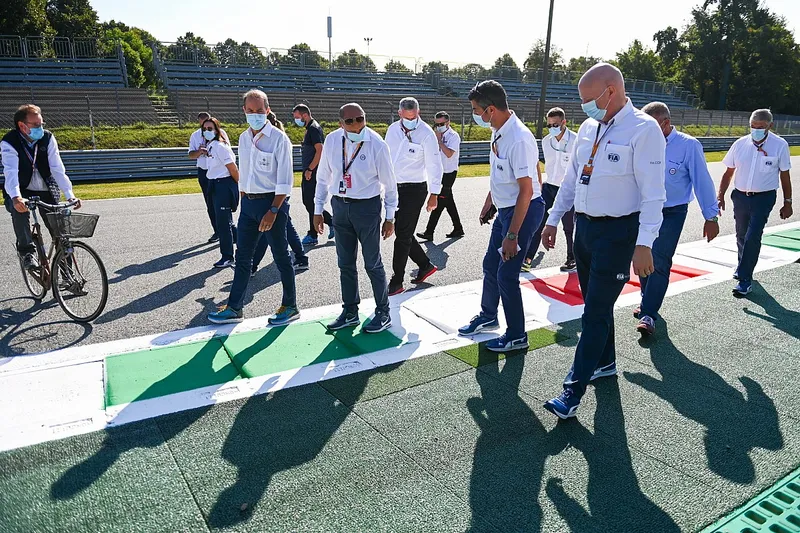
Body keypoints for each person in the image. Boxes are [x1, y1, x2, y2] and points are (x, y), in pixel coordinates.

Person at [540, 63, 666, 419]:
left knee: (593, 312)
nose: (585, 108)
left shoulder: (644, 129)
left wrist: (645, 243)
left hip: (618, 233)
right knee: (597, 305)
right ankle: (605, 362)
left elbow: (654, 193)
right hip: (585, 230)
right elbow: (570, 180)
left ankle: (571, 391)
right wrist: (552, 219)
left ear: (611, 90)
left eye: (589, 100)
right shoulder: (589, 128)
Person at [457, 80, 546, 352]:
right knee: (490, 264)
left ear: (491, 110)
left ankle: (517, 335)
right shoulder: (499, 130)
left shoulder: (518, 138)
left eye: (476, 110)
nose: (476, 115)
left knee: (507, 274)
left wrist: (512, 234)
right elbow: (500, 175)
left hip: (524, 210)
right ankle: (488, 315)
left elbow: (526, 190)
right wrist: (490, 201)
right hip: (507, 208)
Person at [208, 90, 298, 326]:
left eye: (260, 111)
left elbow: (285, 181)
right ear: (244, 111)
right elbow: (245, 172)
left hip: (272, 205)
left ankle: (290, 305)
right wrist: (243, 198)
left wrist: (274, 210)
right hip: (249, 205)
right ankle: (235, 307)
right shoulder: (243, 138)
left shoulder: (279, 139)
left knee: (281, 257)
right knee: (243, 257)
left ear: (267, 110)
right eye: (251, 111)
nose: (255, 115)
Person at [635, 102, 720, 335]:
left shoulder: (688, 145)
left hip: (672, 211)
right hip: (643, 210)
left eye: (650, 125)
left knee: (660, 261)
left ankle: (649, 314)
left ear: (665, 123)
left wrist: (710, 216)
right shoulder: (642, 142)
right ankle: (646, 301)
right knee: (642, 258)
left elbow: (702, 181)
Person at [314, 103, 398, 334]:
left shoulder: (377, 144)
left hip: (367, 208)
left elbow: (390, 185)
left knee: (372, 263)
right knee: (345, 263)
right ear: (341, 123)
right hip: (340, 206)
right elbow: (323, 178)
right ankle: (350, 310)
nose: (356, 124)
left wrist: (390, 217)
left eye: (360, 119)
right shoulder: (332, 141)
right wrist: (317, 210)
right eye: (349, 121)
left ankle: (383, 311)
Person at [718, 108, 793, 297]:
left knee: (753, 236)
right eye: (753, 126)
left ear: (770, 126)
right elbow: (728, 172)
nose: (756, 130)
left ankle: (744, 279)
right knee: (741, 235)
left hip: (764, 198)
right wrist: (720, 196)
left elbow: (785, 175)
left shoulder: (779, 145)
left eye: (761, 127)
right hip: (741, 196)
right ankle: (744, 267)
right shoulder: (740, 144)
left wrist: (788, 201)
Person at [2, 104, 82, 269]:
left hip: (46, 187)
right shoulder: (9, 142)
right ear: (22, 126)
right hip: (21, 188)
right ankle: (27, 253)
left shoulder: (47, 138)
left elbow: (57, 168)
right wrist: (16, 197)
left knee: (59, 229)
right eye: (36, 125)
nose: (40, 128)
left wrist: (69, 194)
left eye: (41, 124)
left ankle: (67, 271)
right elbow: (11, 172)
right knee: (19, 211)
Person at [384, 97, 443, 296]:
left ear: (418, 113)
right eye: (406, 117)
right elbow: (385, 158)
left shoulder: (426, 133)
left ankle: (397, 280)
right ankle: (425, 265)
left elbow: (435, 165)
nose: (410, 120)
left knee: (401, 236)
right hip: (394, 187)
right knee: (404, 233)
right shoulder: (393, 130)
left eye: (414, 117)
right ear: (400, 113)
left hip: (414, 189)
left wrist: (434, 194)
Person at [251, 111, 309, 276]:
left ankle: (252, 265)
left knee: (265, 230)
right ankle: (301, 257)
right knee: (285, 228)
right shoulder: (258, 139)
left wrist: (276, 202)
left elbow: (283, 175)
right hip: (271, 193)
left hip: (276, 194)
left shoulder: (278, 140)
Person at [522, 107, 577, 273]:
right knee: (539, 222)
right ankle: (528, 258)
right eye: (549, 124)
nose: (552, 127)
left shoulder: (576, 140)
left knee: (568, 226)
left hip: (567, 189)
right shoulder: (546, 141)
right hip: (549, 186)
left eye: (556, 124)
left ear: (564, 123)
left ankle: (571, 257)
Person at [417, 111, 463, 241]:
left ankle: (429, 231)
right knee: (448, 201)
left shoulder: (453, 136)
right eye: (436, 124)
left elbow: (449, 154)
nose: (438, 126)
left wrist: (439, 141)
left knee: (439, 201)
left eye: (441, 124)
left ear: (448, 122)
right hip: (439, 173)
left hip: (449, 173)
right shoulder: (433, 135)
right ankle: (458, 228)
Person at [201, 116, 240, 269]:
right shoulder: (211, 146)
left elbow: (233, 169)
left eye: (210, 129)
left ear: (217, 130)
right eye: (204, 129)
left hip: (224, 185)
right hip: (214, 184)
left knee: (223, 224)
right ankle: (243, 245)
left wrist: (237, 187)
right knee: (224, 222)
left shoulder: (220, 146)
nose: (207, 131)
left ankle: (228, 256)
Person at [293, 104, 333, 246]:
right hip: (309, 171)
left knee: (310, 202)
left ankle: (319, 230)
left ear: (305, 115)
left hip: (312, 172)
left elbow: (320, 150)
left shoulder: (313, 129)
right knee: (309, 202)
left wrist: (310, 169)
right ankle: (316, 231)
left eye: (297, 117)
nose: (296, 120)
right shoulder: (310, 128)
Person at [189, 111, 220, 243]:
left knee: (223, 203)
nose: (206, 129)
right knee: (210, 203)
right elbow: (190, 154)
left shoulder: (220, 134)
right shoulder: (195, 136)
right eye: (203, 126)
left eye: (208, 125)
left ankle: (230, 229)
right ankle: (217, 231)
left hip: (218, 172)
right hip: (204, 171)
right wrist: (200, 151)